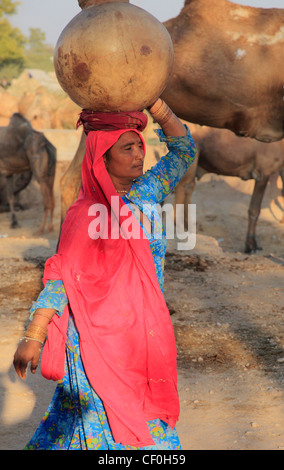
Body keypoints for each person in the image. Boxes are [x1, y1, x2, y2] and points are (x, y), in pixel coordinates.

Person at [13, 98, 197, 450]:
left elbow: (183, 150)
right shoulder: (84, 213)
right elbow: (62, 277)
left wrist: (157, 106)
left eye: (140, 147)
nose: (139, 155)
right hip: (94, 341)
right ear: (103, 157)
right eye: (128, 148)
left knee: (139, 415)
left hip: (142, 334)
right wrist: (35, 334)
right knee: (100, 421)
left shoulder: (146, 193)